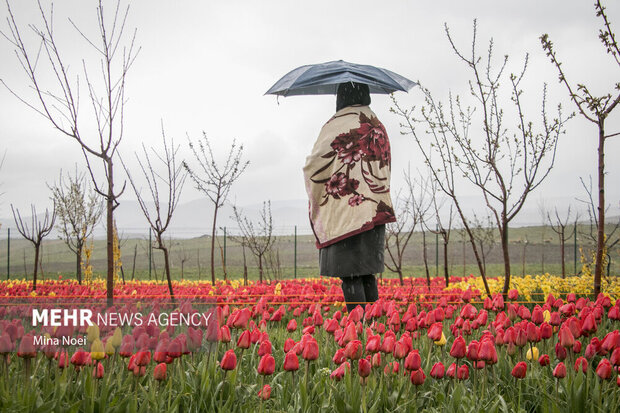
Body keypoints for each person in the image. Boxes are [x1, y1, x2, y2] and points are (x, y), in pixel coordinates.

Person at [303, 82, 396, 313]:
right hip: (375, 211)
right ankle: (375, 329)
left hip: (347, 213)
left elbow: (314, 165)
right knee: (366, 273)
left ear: (341, 97)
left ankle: (359, 334)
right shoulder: (376, 123)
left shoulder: (337, 125)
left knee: (350, 275)